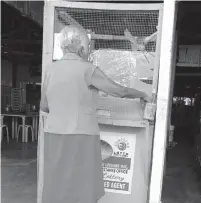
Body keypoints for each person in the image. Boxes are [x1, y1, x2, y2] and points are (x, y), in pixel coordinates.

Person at [40, 25, 151, 203]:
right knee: (82, 185)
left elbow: (44, 106)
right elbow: (120, 91)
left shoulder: (50, 70)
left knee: (56, 182)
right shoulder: (88, 69)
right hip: (81, 136)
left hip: (53, 134)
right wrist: (142, 94)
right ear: (82, 48)